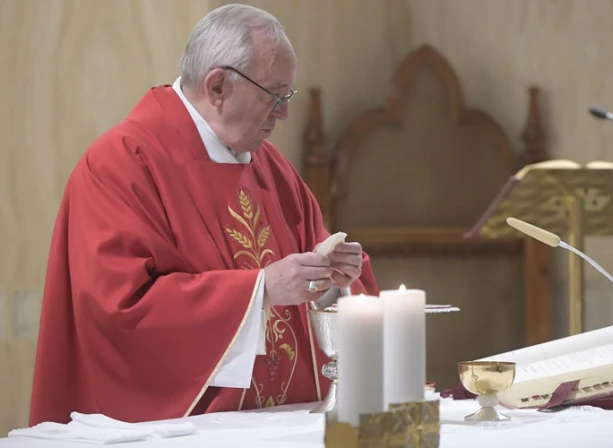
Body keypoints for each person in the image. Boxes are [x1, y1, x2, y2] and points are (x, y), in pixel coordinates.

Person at [29, 4, 378, 426]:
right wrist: (262, 290)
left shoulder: (274, 169)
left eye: (287, 96)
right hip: (177, 431)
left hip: (284, 423)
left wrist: (334, 280)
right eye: (273, 95)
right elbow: (120, 311)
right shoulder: (122, 163)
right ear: (217, 86)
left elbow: (314, 286)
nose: (283, 113)